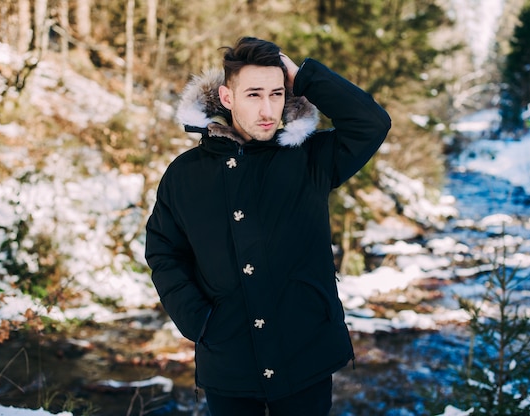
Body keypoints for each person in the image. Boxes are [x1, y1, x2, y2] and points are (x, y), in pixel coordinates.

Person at [145, 36, 391, 416]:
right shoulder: (184, 175)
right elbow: (163, 250)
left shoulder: (310, 159)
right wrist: (199, 320)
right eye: (254, 94)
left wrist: (304, 76)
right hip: (228, 362)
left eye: (277, 94)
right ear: (227, 98)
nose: (267, 109)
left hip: (305, 354)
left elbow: (371, 124)